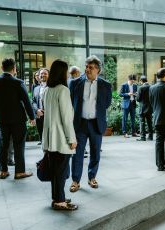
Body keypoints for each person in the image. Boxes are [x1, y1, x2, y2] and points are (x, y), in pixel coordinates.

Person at [0, 58, 36, 179]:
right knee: (19, 145)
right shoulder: (18, 82)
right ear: (14, 68)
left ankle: (3, 171)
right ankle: (19, 172)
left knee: (3, 144)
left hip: (1, 119)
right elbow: (26, 101)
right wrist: (32, 116)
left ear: (2, 68)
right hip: (18, 119)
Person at [69, 55, 112, 192]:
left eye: (91, 67)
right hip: (79, 124)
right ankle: (75, 181)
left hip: (96, 124)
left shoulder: (106, 85)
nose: (87, 69)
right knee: (77, 154)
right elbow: (70, 103)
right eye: (86, 67)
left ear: (98, 70)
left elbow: (106, 103)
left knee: (95, 153)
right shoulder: (75, 83)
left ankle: (92, 177)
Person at [42, 59, 78, 211]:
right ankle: (60, 201)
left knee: (55, 170)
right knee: (60, 171)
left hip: (50, 138)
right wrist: (72, 139)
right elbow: (67, 118)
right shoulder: (63, 90)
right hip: (61, 138)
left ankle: (57, 197)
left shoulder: (48, 90)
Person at [32, 68, 49, 145]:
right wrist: (37, 110)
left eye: (45, 73)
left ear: (49, 75)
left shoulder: (53, 87)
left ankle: (51, 156)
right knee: (42, 138)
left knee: (50, 137)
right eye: (41, 74)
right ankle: (45, 155)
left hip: (50, 116)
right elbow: (33, 101)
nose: (43, 75)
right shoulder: (36, 88)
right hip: (40, 116)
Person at [136, 75, 153, 141]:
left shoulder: (141, 88)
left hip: (143, 108)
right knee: (149, 122)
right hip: (150, 107)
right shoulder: (151, 87)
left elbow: (138, 99)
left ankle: (143, 137)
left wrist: (137, 95)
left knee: (142, 122)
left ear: (141, 81)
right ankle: (150, 136)